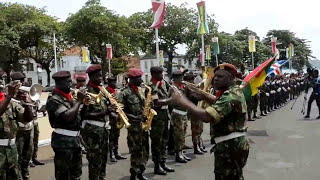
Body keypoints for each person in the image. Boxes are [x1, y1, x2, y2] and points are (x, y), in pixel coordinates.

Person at [170, 63, 249, 180]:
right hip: (233, 143)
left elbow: (207, 116)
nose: (216, 79)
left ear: (231, 78)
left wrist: (183, 101)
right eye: (215, 76)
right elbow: (219, 101)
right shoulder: (233, 91)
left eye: (220, 77)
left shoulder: (230, 96)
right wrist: (203, 94)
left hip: (230, 146)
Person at [46, 71, 85, 180]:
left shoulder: (69, 97)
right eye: (68, 81)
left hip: (75, 140)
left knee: (76, 174)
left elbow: (79, 116)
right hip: (63, 141)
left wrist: (84, 104)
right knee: (63, 175)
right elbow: (67, 117)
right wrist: (79, 101)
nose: (72, 83)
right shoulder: (54, 99)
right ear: (59, 83)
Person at [81, 64, 115, 180]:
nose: (101, 78)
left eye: (101, 76)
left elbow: (106, 108)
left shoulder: (102, 89)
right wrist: (105, 112)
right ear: (91, 76)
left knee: (103, 158)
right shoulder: (86, 92)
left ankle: (102, 177)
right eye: (98, 76)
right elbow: (85, 115)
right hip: (92, 131)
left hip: (104, 129)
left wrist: (114, 112)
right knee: (94, 160)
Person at [118, 68, 149, 180]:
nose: (141, 79)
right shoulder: (124, 93)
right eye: (138, 77)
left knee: (144, 149)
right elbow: (120, 111)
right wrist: (135, 117)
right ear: (132, 79)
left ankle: (141, 171)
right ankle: (134, 174)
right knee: (136, 151)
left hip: (143, 125)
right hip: (134, 126)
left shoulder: (140, 90)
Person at [0, 80, 34, 179]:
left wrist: (26, 104)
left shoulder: (11, 103)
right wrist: (9, 96)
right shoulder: (7, 100)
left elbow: (27, 119)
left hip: (12, 150)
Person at [148, 66, 174, 175]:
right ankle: (157, 165)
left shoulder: (163, 83)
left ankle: (163, 162)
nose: (162, 76)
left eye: (162, 73)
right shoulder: (150, 86)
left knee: (164, 141)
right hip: (156, 117)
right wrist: (172, 99)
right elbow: (157, 102)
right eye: (159, 74)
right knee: (157, 142)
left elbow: (165, 97)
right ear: (153, 74)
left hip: (164, 115)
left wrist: (172, 92)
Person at [11, 72, 36, 180]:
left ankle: (25, 176)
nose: (21, 83)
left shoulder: (25, 94)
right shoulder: (11, 95)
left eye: (22, 80)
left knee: (27, 157)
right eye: (18, 81)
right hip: (18, 131)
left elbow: (29, 116)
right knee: (18, 159)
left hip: (29, 129)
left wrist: (27, 102)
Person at [184, 71, 207, 155]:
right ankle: (196, 147)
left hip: (197, 109)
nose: (194, 80)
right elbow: (194, 97)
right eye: (192, 79)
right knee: (196, 129)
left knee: (199, 128)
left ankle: (199, 145)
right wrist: (204, 95)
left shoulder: (192, 87)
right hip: (193, 110)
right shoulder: (188, 87)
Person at [170, 70, 190, 163]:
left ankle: (181, 153)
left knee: (183, 134)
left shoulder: (182, 87)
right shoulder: (173, 88)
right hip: (177, 114)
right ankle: (178, 154)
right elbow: (170, 101)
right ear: (175, 78)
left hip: (183, 113)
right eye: (180, 77)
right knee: (178, 136)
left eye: (182, 77)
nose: (182, 79)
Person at [107, 76, 127, 162]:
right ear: (109, 83)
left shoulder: (116, 91)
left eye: (115, 82)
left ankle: (116, 152)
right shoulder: (106, 92)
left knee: (117, 135)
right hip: (111, 117)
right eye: (113, 82)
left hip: (117, 115)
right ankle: (111, 154)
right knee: (111, 136)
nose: (115, 84)